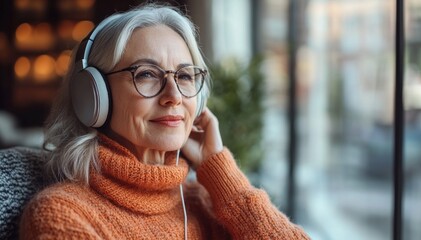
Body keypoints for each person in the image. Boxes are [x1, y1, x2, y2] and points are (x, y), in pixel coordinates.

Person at [20, 3, 310, 240]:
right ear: (94, 96)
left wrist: (223, 176)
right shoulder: (62, 213)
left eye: (184, 76)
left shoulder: (206, 203)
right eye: (146, 74)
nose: (174, 96)